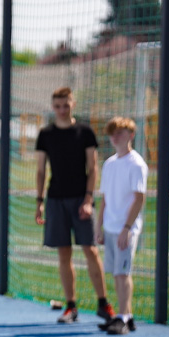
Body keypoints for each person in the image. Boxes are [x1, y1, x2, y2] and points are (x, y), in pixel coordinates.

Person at [35, 86, 114, 324]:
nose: (61, 110)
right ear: (53, 107)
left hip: (81, 199)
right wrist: (39, 201)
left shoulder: (85, 132)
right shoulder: (45, 135)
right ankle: (71, 306)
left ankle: (103, 303)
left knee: (90, 249)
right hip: (55, 199)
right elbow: (40, 170)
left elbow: (93, 168)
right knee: (63, 253)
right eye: (57, 106)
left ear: (73, 104)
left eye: (66, 105)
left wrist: (89, 199)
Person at [96, 117, 147, 335]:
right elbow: (105, 199)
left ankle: (123, 317)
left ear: (131, 135)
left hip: (126, 229)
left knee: (123, 273)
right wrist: (99, 226)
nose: (116, 137)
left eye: (121, 133)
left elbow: (138, 198)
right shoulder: (109, 163)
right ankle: (125, 315)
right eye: (113, 133)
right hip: (110, 227)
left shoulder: (136, 164)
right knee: (116, 273)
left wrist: (127, 227)